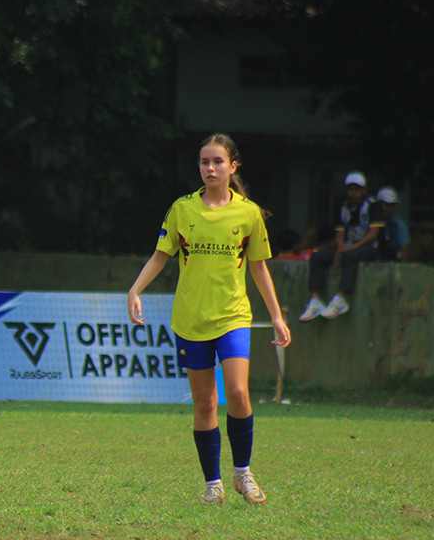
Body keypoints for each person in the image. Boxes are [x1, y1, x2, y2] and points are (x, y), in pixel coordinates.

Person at [127, 134, 291, 505]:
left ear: (233, 167)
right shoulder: (182, 209)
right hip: (190, 320)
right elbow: (160, 255)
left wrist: (277, 317)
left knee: (237, 391)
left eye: (218, 161)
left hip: (233, 317)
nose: (210, 168)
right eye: (204, 162)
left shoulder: (248, 213)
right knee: (204, 404)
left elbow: (260, 268)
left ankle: (242, 474)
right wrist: (134, 291)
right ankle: (212, 484)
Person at [298, 171, 384, 321]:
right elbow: (340, 233)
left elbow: (373, 234)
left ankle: (341, 298)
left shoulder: (373, 205)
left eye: (357, 189)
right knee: (318, 257)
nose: (354, 193)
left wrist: (351, 248)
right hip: (348, 246)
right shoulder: (343, 206)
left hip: (370, 247)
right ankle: (315, 300)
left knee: (350, 256)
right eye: (351, 189)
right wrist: (340, 248)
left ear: (364, 190)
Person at [375, 186, 409, 262]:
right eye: (387, 205)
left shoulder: (398, 224)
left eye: (392, 205)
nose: (390, 208)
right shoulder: (370, 222)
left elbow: (404, 247)